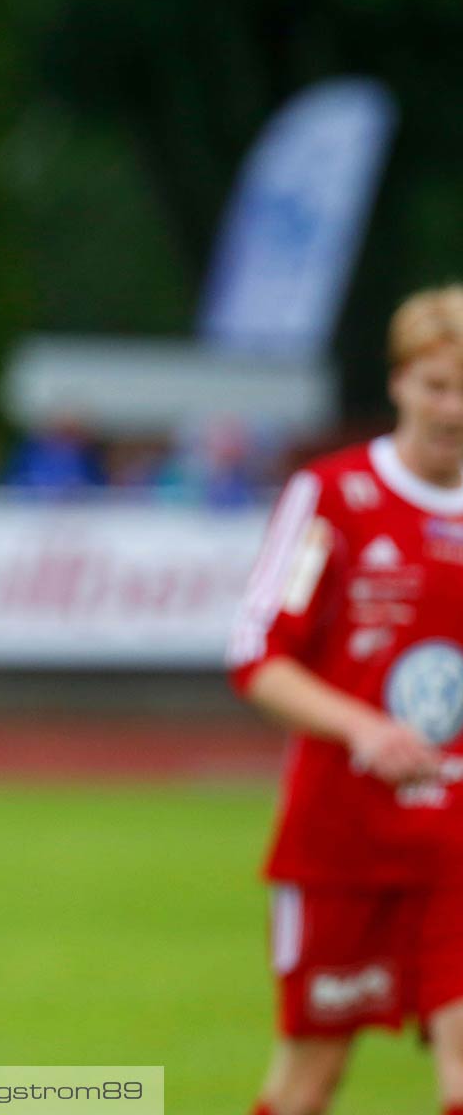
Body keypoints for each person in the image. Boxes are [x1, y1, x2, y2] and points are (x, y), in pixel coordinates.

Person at [229, 286, 463, 1115]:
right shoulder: (331, 497)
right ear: (400, 382)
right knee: (309, 1083)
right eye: (438, 385)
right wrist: (365, 727)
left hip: (456, 845)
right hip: (341, 842)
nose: (452, 409)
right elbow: (256, 655)